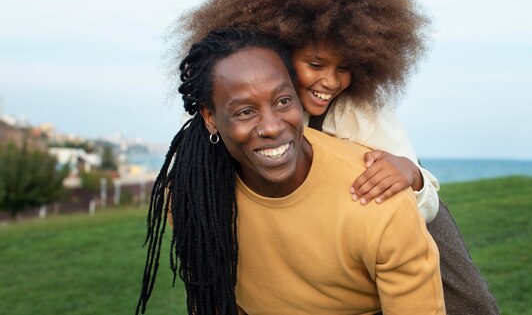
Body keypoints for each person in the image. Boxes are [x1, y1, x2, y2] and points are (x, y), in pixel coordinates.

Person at [175, 0, 500, 314]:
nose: (330, 81)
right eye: (315, 65)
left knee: (472, 302)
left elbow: (421, 195)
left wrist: (409, 175)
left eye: (344, 67)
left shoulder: (361, 114)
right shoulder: (251, 109)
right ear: (278, 51)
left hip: (407, 210)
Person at [136, 27, 445, 315]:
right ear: (211, 118)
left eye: (283, 101)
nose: (271, 126)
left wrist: (412, 176)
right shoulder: (194, 197)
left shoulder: (376, 186)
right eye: (246, 111)